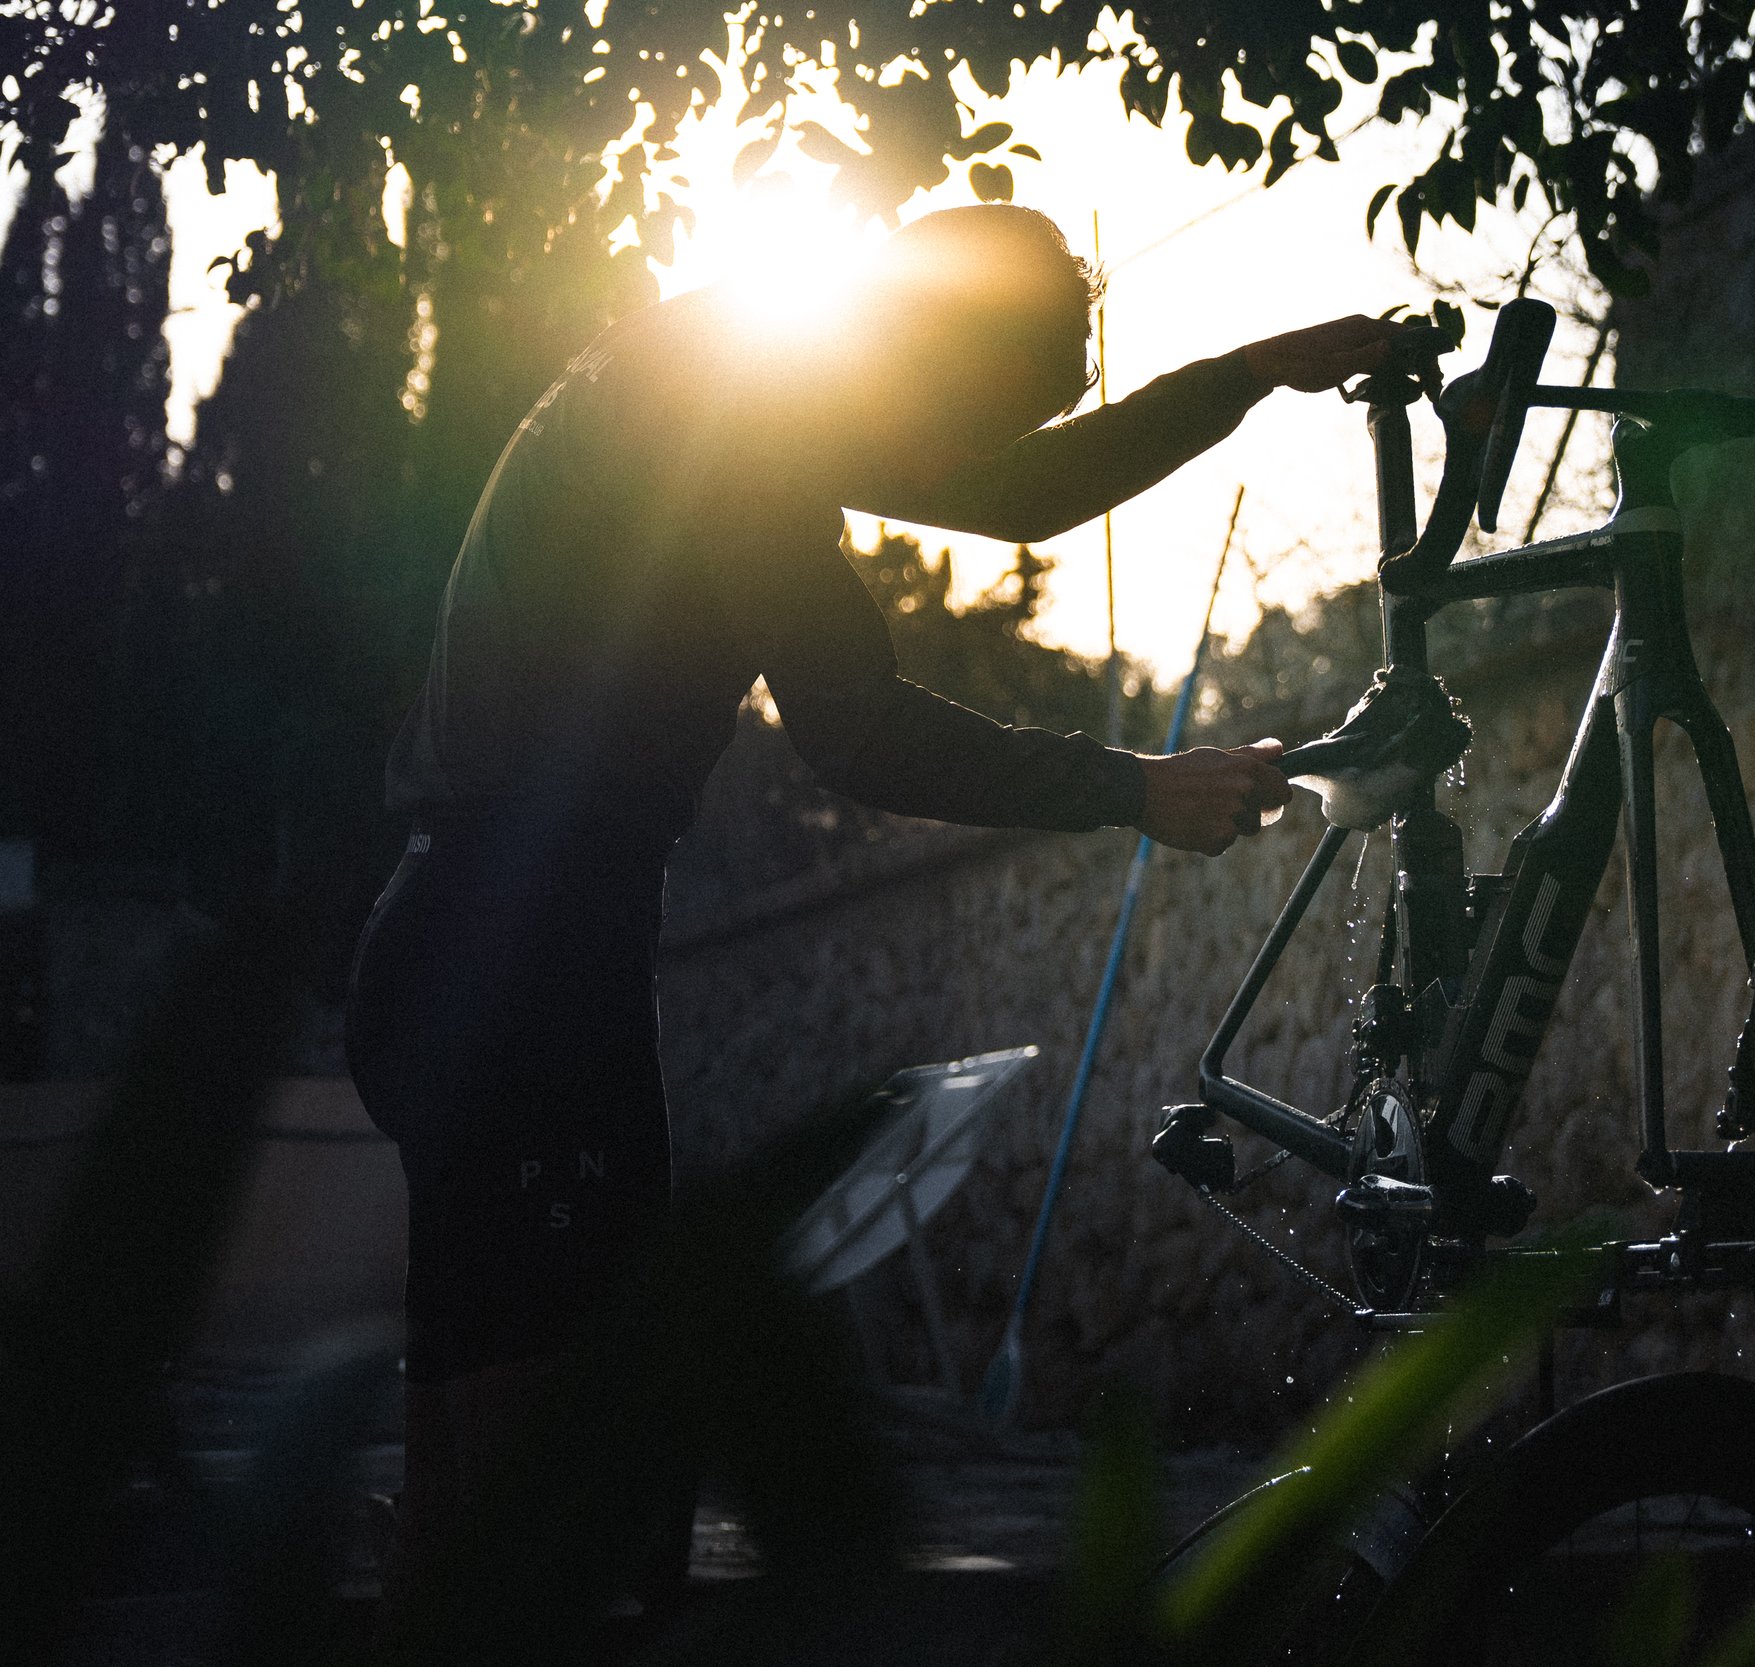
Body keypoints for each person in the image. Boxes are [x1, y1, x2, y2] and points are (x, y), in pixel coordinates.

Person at [344, 204, 1395, 1657]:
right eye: (976, 405)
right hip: (522, 965)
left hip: (467, 946)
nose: (952, 458)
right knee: (566, 1548)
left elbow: (1023, 494)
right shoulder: (739, 407)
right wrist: (1131, 786)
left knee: (459, 1548)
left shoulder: (734, 374)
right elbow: (857, 732)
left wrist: (1249, 369)